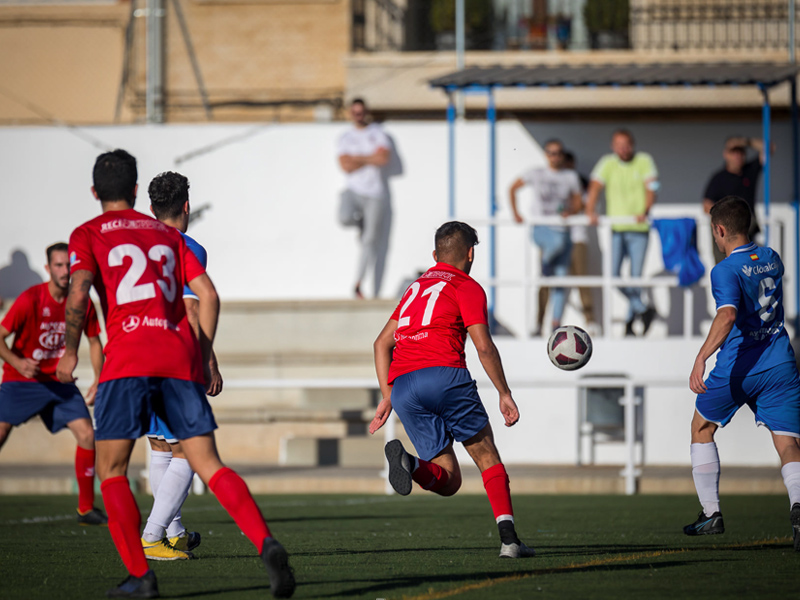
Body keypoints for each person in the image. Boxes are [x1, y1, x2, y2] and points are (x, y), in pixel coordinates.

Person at [56, 150, 295, 599]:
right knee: (208, 462)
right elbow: (207, 295)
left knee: (111, 470)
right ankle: (266, 541)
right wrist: (204, 355)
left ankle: (140, 574)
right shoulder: (167, 237)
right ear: (133, 190)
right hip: (174, 358)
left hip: (126, 362)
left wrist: (69, 353)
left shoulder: (87, 234)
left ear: (95, 193)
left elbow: (79, 293)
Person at [369, 221, 535, 559]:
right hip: (444, 376)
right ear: (471, 254)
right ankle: (509, 542)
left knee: (449, 480)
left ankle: (411, 465)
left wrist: (387, 395)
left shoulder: (414, 288)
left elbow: (381, 343)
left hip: (403, 387)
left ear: (435, 255)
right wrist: (504, 392)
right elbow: (484, 347)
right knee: (486, 455)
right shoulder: (467, 286)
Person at [686, 196, 800, 549]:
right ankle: (799, 505)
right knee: (788, 443)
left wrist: (701, 357)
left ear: (720, 230)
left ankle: (711, 514)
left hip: (740, 367)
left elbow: (728, 315)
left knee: (701, 427)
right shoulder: (771, 258)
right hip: (780, 362)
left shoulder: (724, 270)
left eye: (715, 234)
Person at [139, 171, 224, 561]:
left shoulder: (136, 246)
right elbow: (193, 308)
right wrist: (208, 360)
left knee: (160, 445)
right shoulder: (188, 246)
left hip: (134, 354)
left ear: (151, 208)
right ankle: (154, 535)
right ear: (187, 206)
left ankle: (172, 531)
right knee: (188, 451)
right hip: (172, 359)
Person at [0, 243, 107, 525]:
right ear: (48, 269)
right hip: (21, 380)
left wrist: (99, 379)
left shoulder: (82, 301)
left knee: (87, 434)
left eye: (69, 265)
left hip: (59, 383)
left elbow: (95, 341)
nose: (64, 271)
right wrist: (18, 362)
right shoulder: (30, 299)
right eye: (58, 265)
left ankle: (86, 508)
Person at [586, 129, 658, 337]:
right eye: (619, 144)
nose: (623, 149)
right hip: (617, 228)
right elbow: (594, 186)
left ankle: (628, 324)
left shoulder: (644, 160)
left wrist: (645, 211)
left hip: (639, 229)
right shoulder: (607, 163)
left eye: (626, 144)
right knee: (614, 276)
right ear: (612, 146)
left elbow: (652, 187)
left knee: (635, 278)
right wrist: (590, 210)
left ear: (633, 145)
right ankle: (643, 309)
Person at [509, 139, 582, 335]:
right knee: (548, 274)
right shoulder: (536, 173)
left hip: (562, 229)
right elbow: (512, 187)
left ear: (562, 155)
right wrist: (515, 213)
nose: (554, 156)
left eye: (558, 153)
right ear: (545, 154)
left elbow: (577, 201)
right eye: (551, 152)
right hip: (543, 230)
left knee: (560, 281)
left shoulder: (570, 176)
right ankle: (546, 265)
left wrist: (570, 211)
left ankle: (555, 323)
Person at [337, 98, 392, 299]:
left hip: (375, 194)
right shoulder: (345, 137)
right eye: (355, 112)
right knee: (344, 218)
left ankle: (359, 283)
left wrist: (356, 158)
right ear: (351, 113)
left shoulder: (378, 133)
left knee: (370, 241)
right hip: (353, 191)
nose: (358, 116)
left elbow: (383, 159)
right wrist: (369, 158)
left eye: (361, 112)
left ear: (366, 112)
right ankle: (360, 222)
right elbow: (345, 165)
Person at [703, 136, 769, 264]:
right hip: (726, 233)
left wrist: (746, 141)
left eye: (740, 152)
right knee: (726, 268)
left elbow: (769, 148)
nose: (737, 156)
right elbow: (706, 205)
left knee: (750, 267)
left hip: (748, 230)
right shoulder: (718, 178)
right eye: (733, 152)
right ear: (726, 154)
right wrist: (727, 217)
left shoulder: (749, 171)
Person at [563, 151, 597, 332]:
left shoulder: (583, 182)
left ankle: (590, 321)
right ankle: (542, 323)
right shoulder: (554, 182)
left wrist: (570, 207)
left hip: (577, 238)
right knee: (548, 282)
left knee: (583, 281)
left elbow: (585, 205)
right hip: (556, 238)